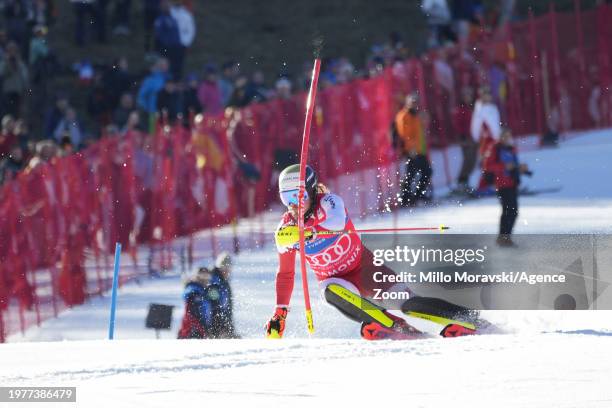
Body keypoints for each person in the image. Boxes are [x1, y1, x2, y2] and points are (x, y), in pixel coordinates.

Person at [266, 164, 484, 340]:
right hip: (340, 283)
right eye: (288, 199)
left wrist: (309, 233)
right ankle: (393, 325)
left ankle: (472, 319)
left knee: (410, 305)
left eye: (299, 196)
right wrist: (280, 313)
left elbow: (337, 224)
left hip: (367, 269)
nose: (294, 205)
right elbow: (285, 274)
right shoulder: (285, 231)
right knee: (328, 291)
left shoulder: (329, 203)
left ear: (312, 191)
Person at [484, 129, 531, 247]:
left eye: (509, 136)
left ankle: (506, 236)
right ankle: (503, 237)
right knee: (507, 210)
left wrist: (521, 168)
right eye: (504, 136)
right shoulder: (495, 148)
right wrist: (504, 166)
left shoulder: (511, 149)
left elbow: (513, 166)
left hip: (512, 184)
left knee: (513, 212)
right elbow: (488, 166)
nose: (507, 139)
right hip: (502, 185)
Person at [177, 265, 237, 339]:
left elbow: (214, 309)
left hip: (200, 332)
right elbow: (193, 316)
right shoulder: (194, 292)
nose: (207, 281)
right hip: (191, 333)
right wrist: (203, 331)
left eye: (208, 279)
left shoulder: (204, 292)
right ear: (198, 278)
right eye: (204, 278)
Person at [394, 94, 432, 206]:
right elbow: (404, 134)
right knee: (411, 174)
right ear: (407, 102)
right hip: (411, 150)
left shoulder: (416, 115)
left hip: (420, 149)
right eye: (412, 102)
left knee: (425, 172)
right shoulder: (404, 115)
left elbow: (421, 130)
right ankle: (405, 197)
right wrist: (410, 149)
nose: (414, 104)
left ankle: (416, 195)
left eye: (416, 102)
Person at [470, 85, 501, 194]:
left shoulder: (492, 107)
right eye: (485, 95)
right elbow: (476, 125)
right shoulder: (479, 109)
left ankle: (495, 184)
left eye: (488, 95)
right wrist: (478, 137)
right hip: (486, 140)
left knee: (496, 161)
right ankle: (483, 186)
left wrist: (498, 137)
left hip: (495, 139)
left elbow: (496, 124)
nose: (487, 97)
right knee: (487, 163)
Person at [452, 87, 477, 193]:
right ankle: (461, 182)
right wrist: (462, 137)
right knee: (468, 160)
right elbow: (458, 125)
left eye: (470, 95)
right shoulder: (461, 109)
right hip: (466, 138)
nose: (468, 98)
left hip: (474, 138)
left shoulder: (473, 107)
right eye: (466, 96)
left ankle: (465, 182)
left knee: (473, 161)